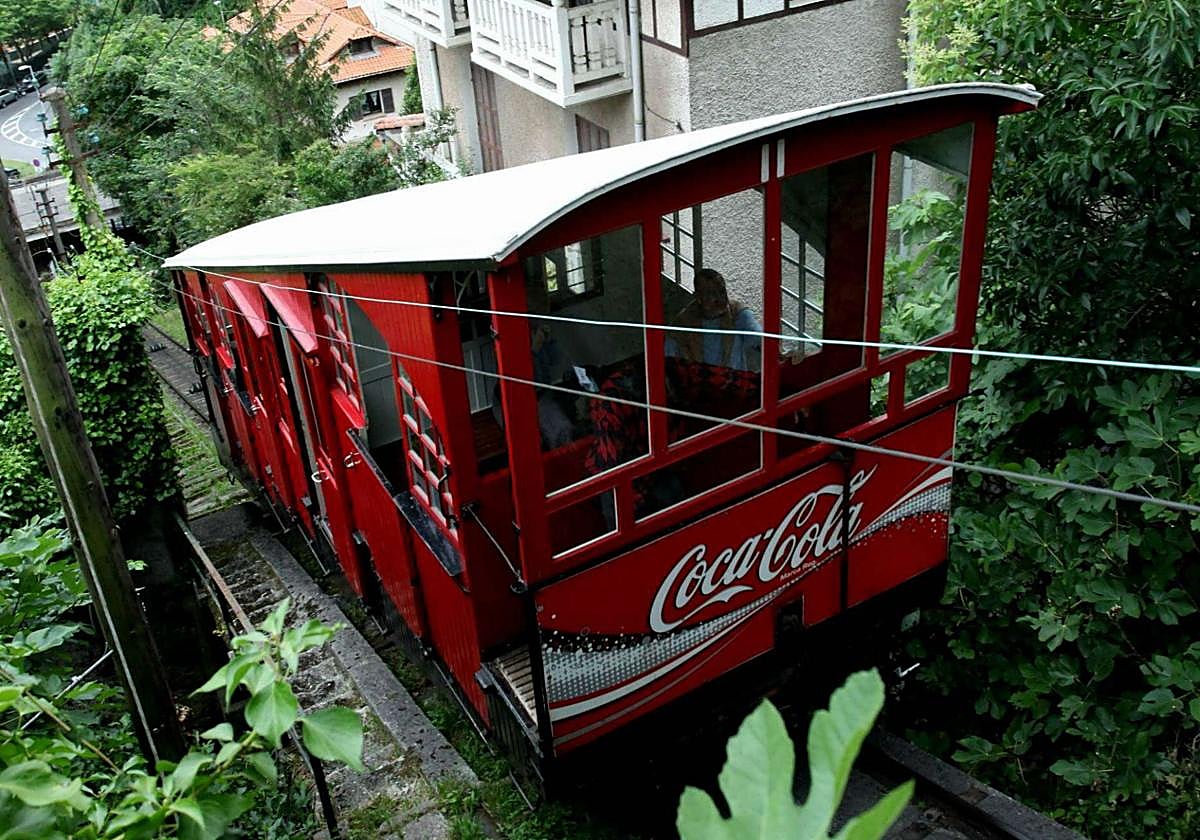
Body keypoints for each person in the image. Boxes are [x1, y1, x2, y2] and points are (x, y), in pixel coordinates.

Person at [665, 268, 762, 372]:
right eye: (710, 293)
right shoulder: (683, 322)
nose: (719, 298)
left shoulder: (737, 313)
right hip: (699, 385)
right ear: (698, 297)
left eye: (722, 291)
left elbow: (761, 340)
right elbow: (667, 360)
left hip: (733, 384)